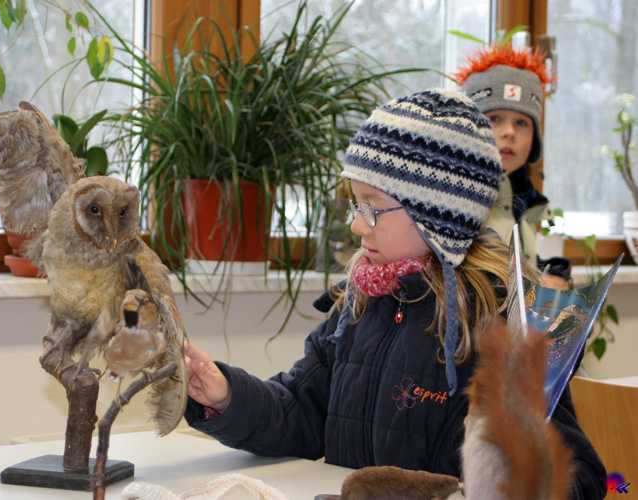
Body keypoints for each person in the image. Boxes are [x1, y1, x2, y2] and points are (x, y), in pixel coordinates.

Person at [183, 89, 606, 499]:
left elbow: (580, 477)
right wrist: (225, 395)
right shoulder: (361, 304)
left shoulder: (501, 324)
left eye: (372, 207)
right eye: (356, 205)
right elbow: (300, 412)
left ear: (437, 215)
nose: (357, 224)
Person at [456, 43, 572, 289]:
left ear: (534, 140)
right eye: (494, 119)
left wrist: (551, 276)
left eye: (521, 123)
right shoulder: (454, 200)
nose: (509, 132)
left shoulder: (522, 199)